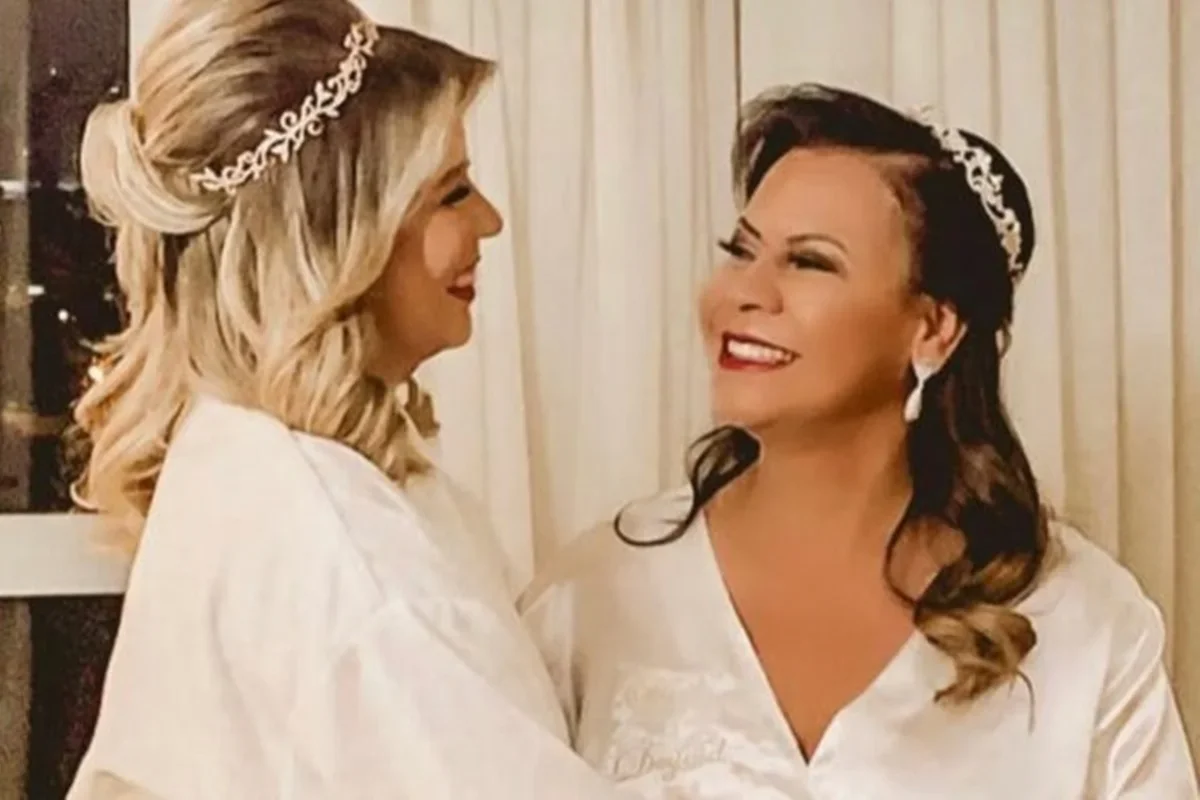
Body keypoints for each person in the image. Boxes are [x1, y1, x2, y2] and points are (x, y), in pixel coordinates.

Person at [521, 83, 1200, 798]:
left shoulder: (1080, 623)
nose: (745, 293)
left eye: (809, 262)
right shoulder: (591, 599)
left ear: (933, 328)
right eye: (741, 251)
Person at [65, 0, 620, 796]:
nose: (490, 221)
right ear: (336, 234)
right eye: (452, 193)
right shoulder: (345, 555)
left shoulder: (246, 462)